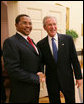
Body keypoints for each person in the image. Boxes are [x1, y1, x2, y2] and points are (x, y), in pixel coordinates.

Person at [37, 16, 83, 103]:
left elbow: (74, 59)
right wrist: (41, 72)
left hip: (67, 78)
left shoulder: (68, 39)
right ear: (44, 27)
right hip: (51, 80)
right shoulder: (41, 44)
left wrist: (79, 77)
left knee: (70, 100)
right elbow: (41, 62)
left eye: (54, 24)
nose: (53, 27)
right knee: (54, 100)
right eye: (49, 25)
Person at [3, 14, 45, 103]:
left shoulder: (30, 40)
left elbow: (37, 58)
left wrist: (41, 73)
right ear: (16, 25)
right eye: (24, 23)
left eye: (30, 23)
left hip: (33, 88)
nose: (28, 26)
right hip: (21, 90)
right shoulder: (11, 42)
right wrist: (35, 78)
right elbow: (12, 69)